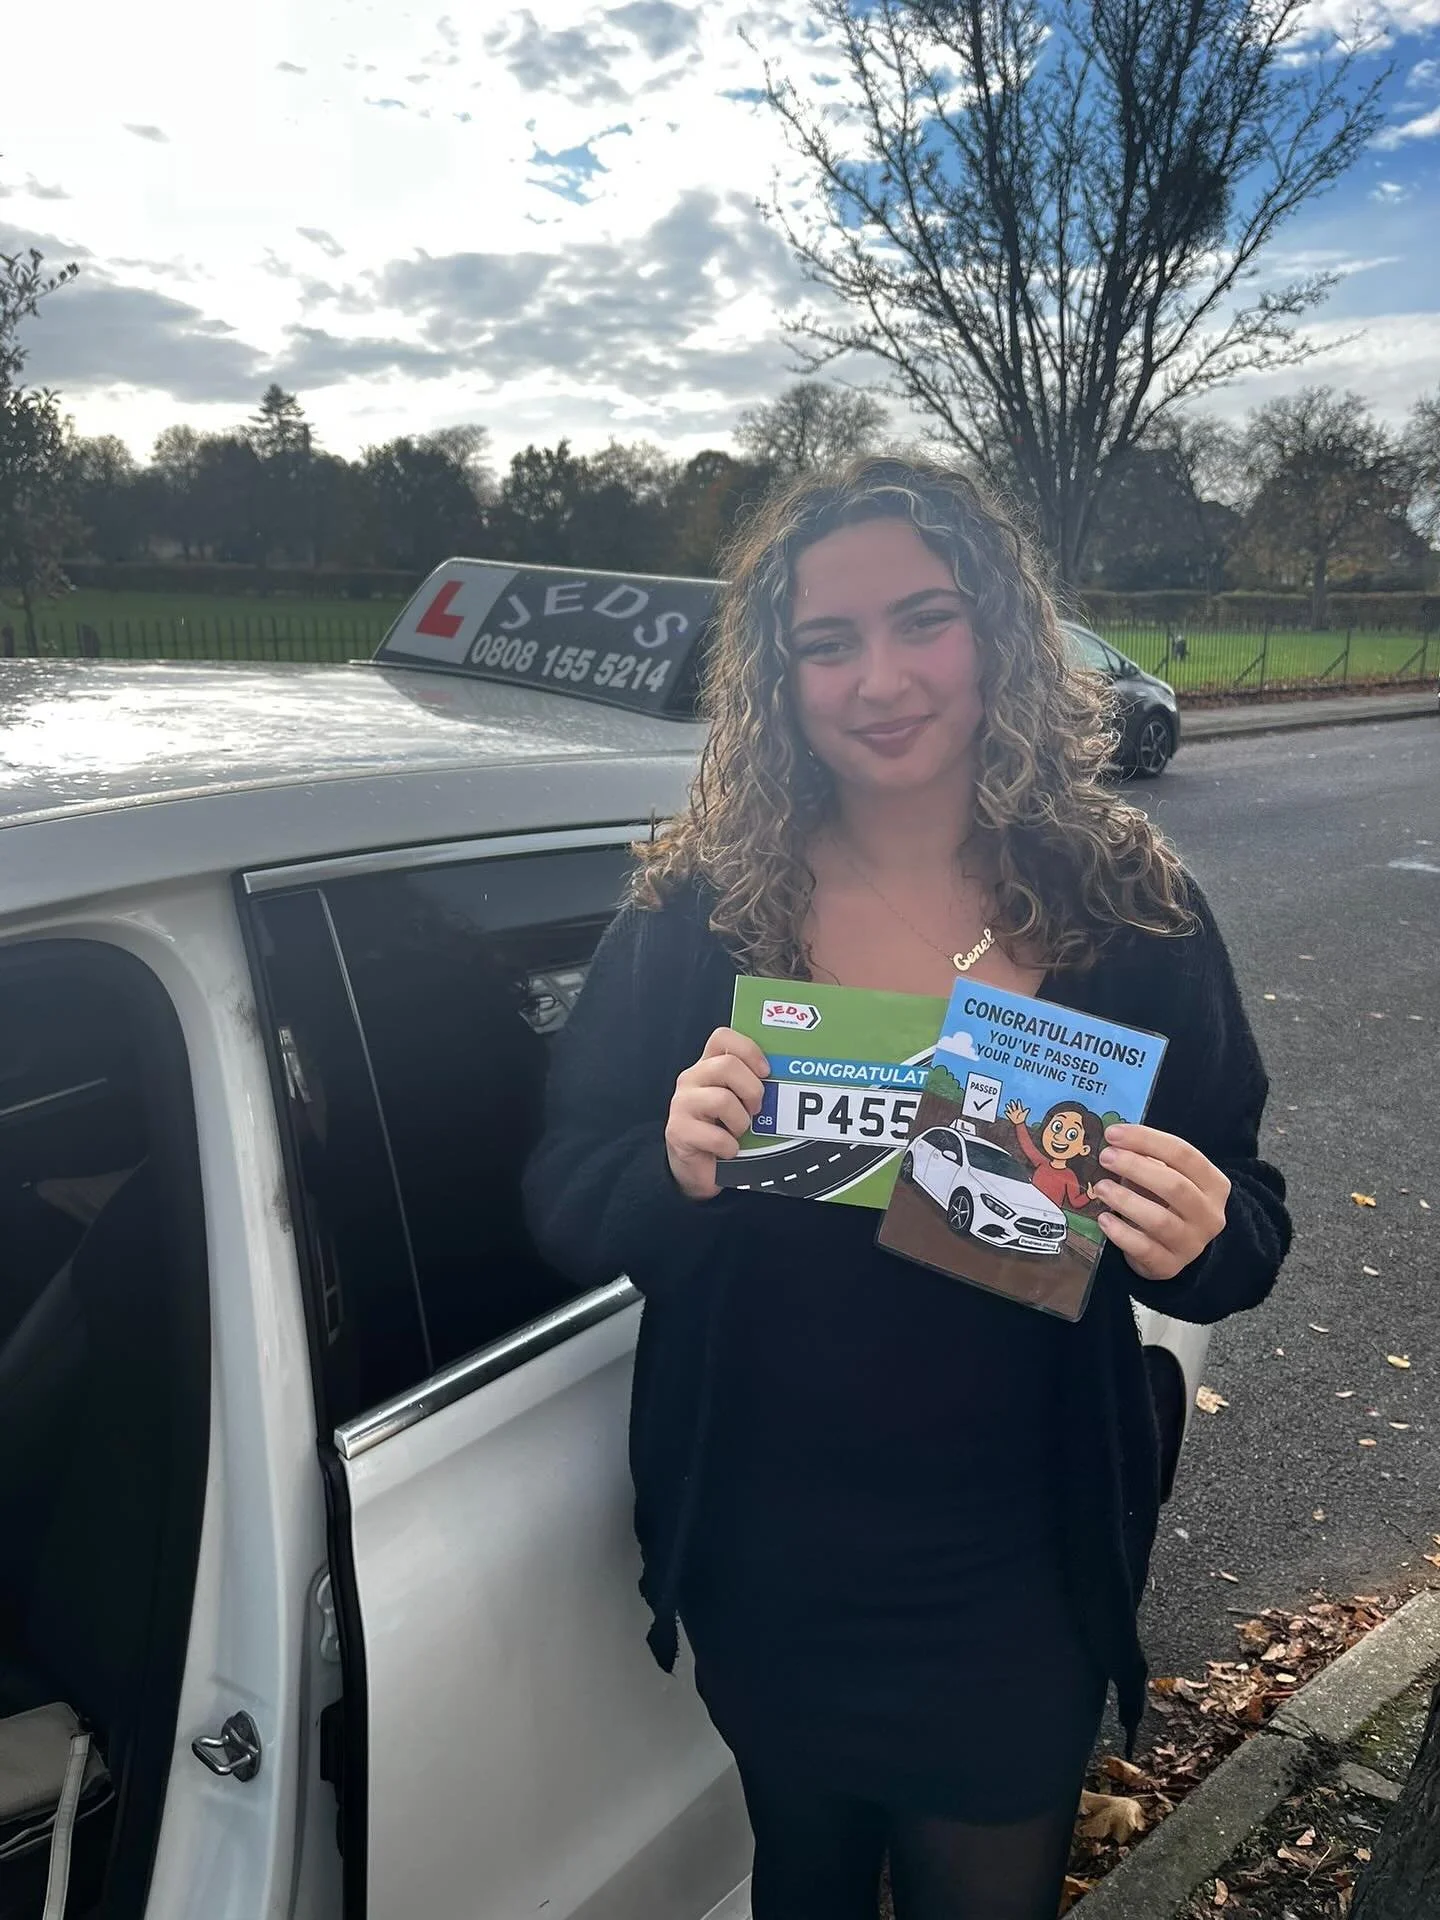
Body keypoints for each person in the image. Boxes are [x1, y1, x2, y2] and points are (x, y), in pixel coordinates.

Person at [523, 457, 1291, 1920]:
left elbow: (1246, 1217)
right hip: (770, 1554)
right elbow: (571, 1186)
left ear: (996, 634)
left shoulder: (1128, 906)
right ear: (781, 673)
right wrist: (669, 1165)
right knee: (802, 1890)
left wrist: (1201, 1236)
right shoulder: (702, 908)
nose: (879, 678)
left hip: (1014, 1570)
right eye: (828, 641)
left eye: (922, 620)